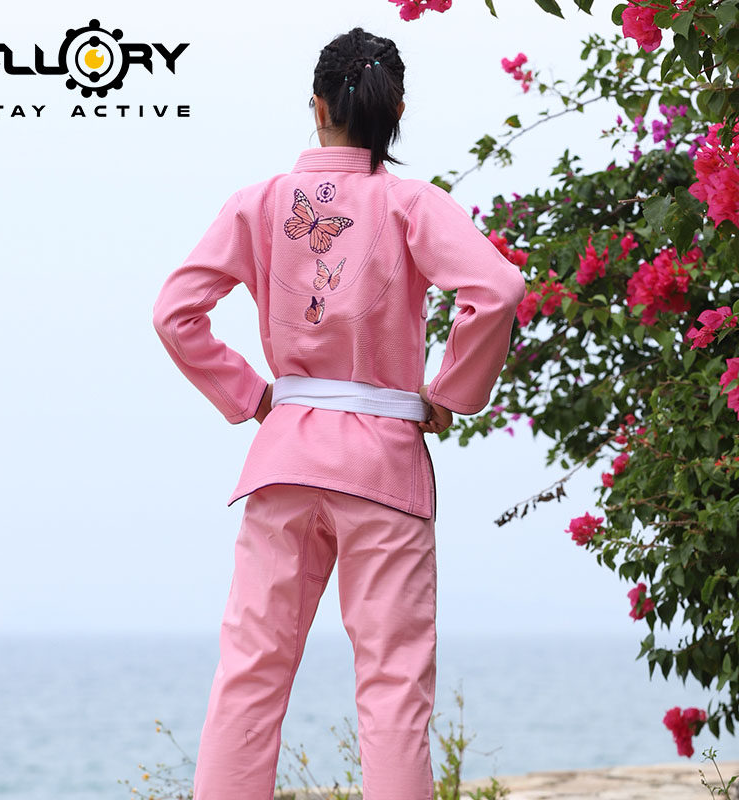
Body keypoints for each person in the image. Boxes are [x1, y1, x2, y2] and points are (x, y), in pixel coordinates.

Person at [151, 25, 526, 800]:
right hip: (383, 464)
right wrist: (448, 393)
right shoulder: (412, 204)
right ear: (396, 112)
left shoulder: (258, 204)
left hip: (284, 458)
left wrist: (251, 394)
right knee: (392, 684)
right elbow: (497, 290)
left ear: (317, 107)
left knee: (251, 672)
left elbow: (175, 313)